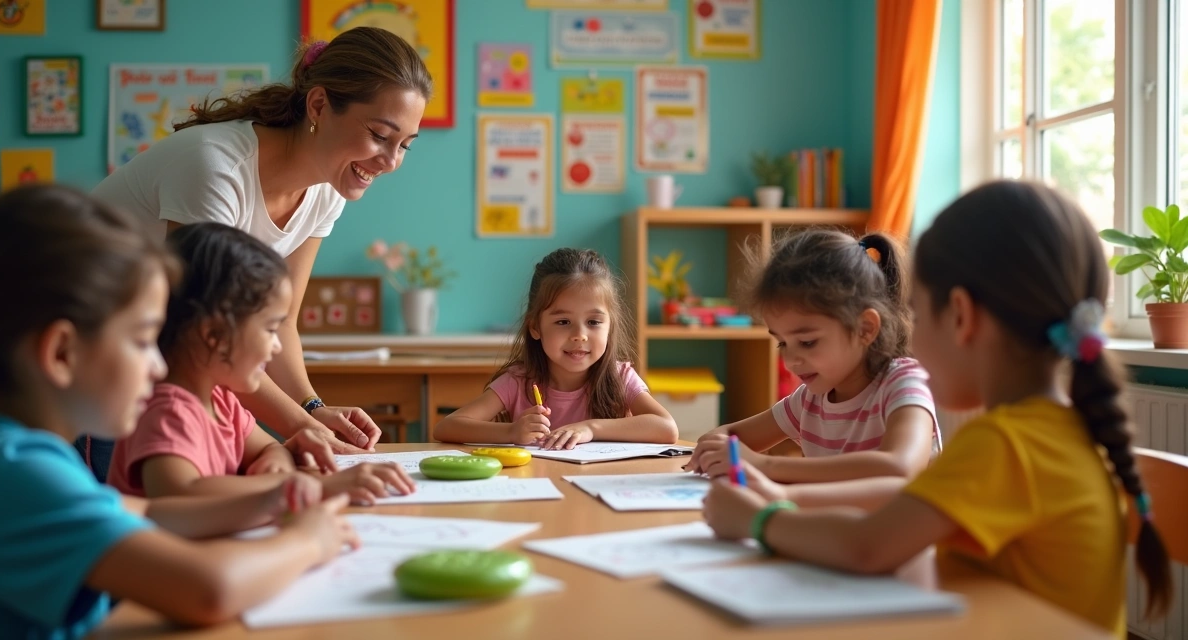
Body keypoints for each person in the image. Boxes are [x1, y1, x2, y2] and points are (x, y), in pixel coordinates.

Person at [701, 181, 1172, 637]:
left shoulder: (1006, 443)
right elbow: (898, 506)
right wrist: (777, 495)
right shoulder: (1057, 429)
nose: (912, 339)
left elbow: (868, 547)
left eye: (919, 316)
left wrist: (759, 520)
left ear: (962, 317)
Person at [0, 186, 358, 637]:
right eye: (141, 341)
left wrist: (271, 499)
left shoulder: (17, 456)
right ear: (62, 353)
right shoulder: (18, 473)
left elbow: (152, 511)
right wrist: (308, 541)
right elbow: (208, 589)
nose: (157, 364)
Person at [85, 27, 434, 475]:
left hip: (152, 358)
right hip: (85, 346)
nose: (391, 161)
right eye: (380, 135)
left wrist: (312, 409)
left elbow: (281, 321)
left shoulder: (327, 189)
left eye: (404, 144)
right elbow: (200, 330)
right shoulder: (216, 168)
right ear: (319, 105)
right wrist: (300, 426)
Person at [108, 223, 415, 504]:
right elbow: (181, 493)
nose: (277, 346)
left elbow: (271, 449)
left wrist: (275, 464)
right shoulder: (167, 409)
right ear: (214, 335)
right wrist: (310, 488)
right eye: (270, 329)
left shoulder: (221, 400)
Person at [685, 230, 938, 484]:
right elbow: (729, 435)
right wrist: (714, 447)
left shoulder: (904, 383)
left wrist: (766, 465)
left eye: (807, 342)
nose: (790, 361)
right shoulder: (809, 401)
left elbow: (900, 467)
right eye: (782, 343)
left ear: (865, 328)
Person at [434, 248, 678, 450]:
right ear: (536, 327)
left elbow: (667, 428)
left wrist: (590, 428)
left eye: (593, 322)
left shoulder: (620, 377)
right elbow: (448, 427)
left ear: (609, 327)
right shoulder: (518, 381)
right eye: (563, 322)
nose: (579, 336)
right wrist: (511, 431)